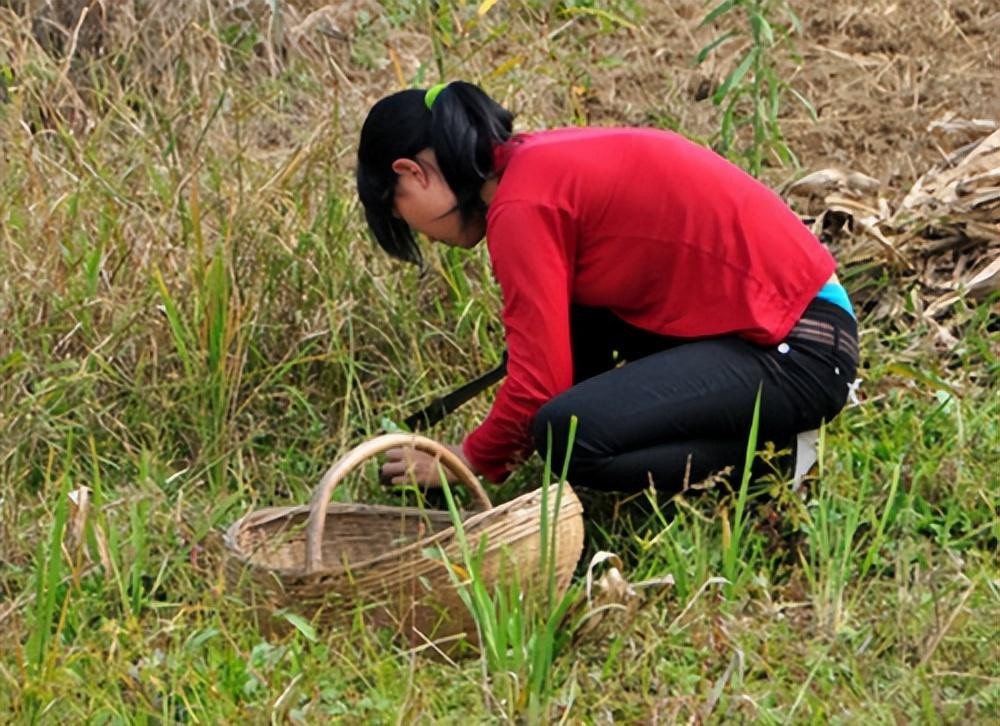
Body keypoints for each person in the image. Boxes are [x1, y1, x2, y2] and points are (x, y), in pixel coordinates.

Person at [356, 80, 859, 494]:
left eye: (402, 215)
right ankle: (751, 435)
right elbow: (553, 351)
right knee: (578, 326)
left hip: (800, 349)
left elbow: (538, 387)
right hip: (796, 327)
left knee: (566, 435)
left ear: (412, 173)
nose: (423, 234)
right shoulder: (534, 164)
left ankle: (775, 459)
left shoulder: (521, 206)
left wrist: (466, 459)